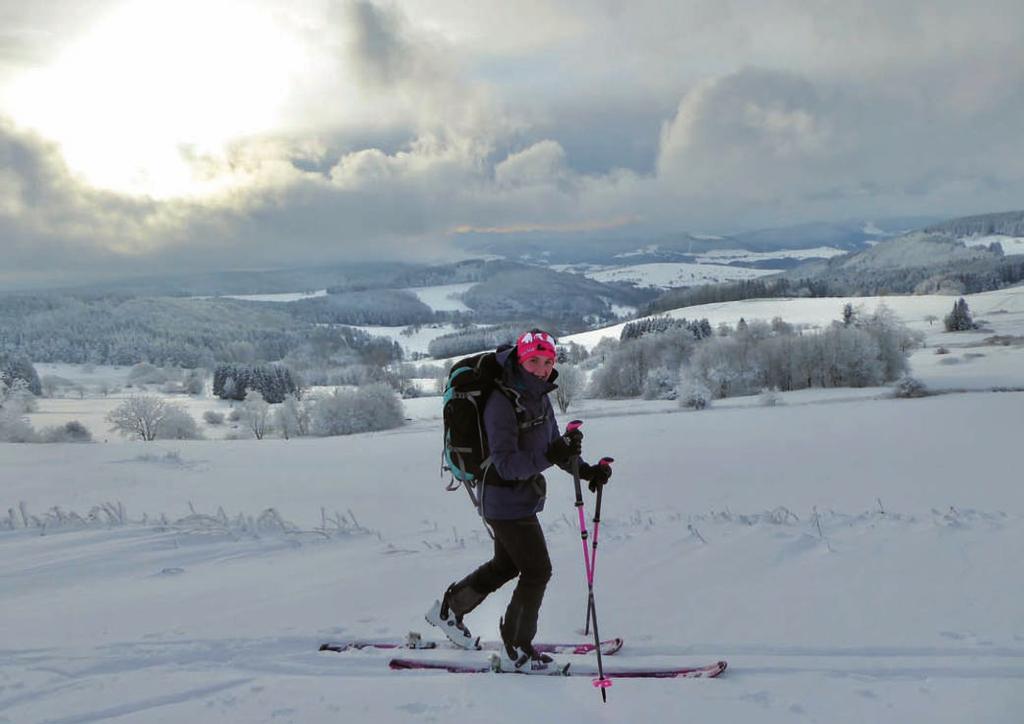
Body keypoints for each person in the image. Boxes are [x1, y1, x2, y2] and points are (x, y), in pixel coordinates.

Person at [425, 329, 612, 671]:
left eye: (548, 361)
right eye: (534, 361)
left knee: (507, 565)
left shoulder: (538, 395)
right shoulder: (501, 402)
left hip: (519, 498)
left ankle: (449, 610)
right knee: (537, 570)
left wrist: (585, 471)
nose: (541, 368)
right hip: (503, 499)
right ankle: (517, 649)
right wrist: (550, 454)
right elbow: (507, 464)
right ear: (520, 360)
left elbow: (553, 445)